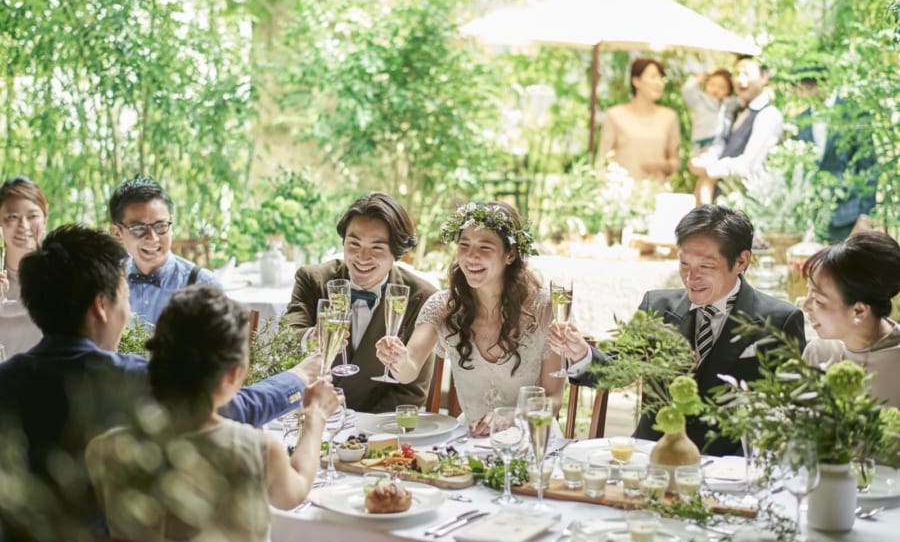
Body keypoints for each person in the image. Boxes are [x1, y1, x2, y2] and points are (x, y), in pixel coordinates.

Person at [0, 225, 311, 482]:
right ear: (101, 306)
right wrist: (299, 378)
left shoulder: (7, 381)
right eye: (124, 297)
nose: (128, 311)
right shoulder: (136, 380)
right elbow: (229, 409)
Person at [86, 285, 340, 542]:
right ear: (233, 374)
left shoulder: (104, 450)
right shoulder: (255, 450)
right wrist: (316, 416)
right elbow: (295, 492)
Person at [559, 205, 806, 455]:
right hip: (652, 456)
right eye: (684, 263)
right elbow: (618, 369)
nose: (690, 278)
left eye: (706, 267)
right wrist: (581, 354)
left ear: (741, 261)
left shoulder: (780, 321)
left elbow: (791, 414)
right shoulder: (657, 306)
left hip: (729, 466)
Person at [374, 201, 565, 436]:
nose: (471, 256)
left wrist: (511, 417)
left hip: (534, 438)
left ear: (510, 255)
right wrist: (398, 359)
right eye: (464, 245)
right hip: (471, 441)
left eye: (485, 247)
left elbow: (554, 399)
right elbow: (408, 371)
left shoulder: (545, 309)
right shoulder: (442, 306)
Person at [284, 192, 436, 413]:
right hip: (314, 414)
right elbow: (288, 335)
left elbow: (411, 393)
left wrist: (359, 426)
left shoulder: (421, 297)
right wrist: (310, 339)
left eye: (377, 247)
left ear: (397, 252)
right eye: (354, 244)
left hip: (377, 425)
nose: (362, 257)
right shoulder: (313, 279)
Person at [801, 231, 900, 407]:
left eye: (818, 300)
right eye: (808, 292)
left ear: (859, 311)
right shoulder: (818, 352)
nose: (805, 306)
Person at [109, 175, 222, 327]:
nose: (153, 237)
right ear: (118, 233)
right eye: (139, 228)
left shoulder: (204, 285)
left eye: (161, 226)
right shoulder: (107, 281)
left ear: (171, 223)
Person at [792, 69, 877, 243]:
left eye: (809, 87)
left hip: (848, 215)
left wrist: (865, 216)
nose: (804, 94)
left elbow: (868, 168)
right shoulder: (800, 121)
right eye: (800, 88)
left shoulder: (854, 115)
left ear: (825, 82)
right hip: (809, 219)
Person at [690, 58, 784, 205]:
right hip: (723, 204)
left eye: (746, 73)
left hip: (748, 205)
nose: (740, 79)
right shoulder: (735, 110)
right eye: (737, 73)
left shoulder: (768, 115)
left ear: (764, 77)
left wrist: (708, 168)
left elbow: (750, 165)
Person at [596, 58, 681, 182]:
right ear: (636, 81)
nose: (659, 83)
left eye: (661, 78)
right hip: (622, 189)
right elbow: (602, 160)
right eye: (653, 77)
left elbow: (675, 161)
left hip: (656, 189)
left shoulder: (669, 117)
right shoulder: (615, 115)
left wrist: (663, 165)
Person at [0, 177, 46, 355]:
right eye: (12, 217)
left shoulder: (66, 276)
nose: (24, 226)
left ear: (45, 220)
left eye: (32, 216)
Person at [681, 70, 741, 152]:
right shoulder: (701, 100)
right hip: (700, 140)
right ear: (706, 85)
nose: (715, 89)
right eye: (712, 85)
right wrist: (696, 80)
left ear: (729, 91)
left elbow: (742, 100)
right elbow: (687, 91)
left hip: (719, 141)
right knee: (698, 158)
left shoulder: (729, 103)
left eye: (721, 87)